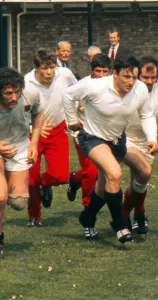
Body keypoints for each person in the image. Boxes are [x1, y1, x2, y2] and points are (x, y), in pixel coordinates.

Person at [63, 56, 158, 244]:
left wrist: (152, 138)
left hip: (117, 140)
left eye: (134, 77)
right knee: (114, 174)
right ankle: (120, 224)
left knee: (103, 187)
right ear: (115, 73)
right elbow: (67, 96)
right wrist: (72, 120)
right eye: (126, 77)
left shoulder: (139, 89)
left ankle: (88, 217)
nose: (131, 82)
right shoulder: (95, 86)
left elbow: (146, 114)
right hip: (91, 138)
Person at [122, 56, 158, 234]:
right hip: (126, 137)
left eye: (153, 78)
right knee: (143, 172)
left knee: (140, 182)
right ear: (138, 75)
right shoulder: (130, 87)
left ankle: (138, 216)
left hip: (148, 139)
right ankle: (123, 215)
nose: (150, 81)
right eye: (145, 77)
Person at [25, 48, 77, 227]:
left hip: (57, 130)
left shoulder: (65, 75)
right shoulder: (26, 83)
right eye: (44, 68)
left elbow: (76, 92)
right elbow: (18, 114)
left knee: (61, 176)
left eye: (52, 68)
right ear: (36, 68)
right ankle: (34, 216)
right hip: (33, 135)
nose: (49, 73)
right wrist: (33, 128)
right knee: (31, 179)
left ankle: (44, 185)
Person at [67, 54, 113, 239]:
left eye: (105, 71)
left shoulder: (112, 85)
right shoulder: (83, 86)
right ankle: (88, 216)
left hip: (107, 136)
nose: (101, 74)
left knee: (107, 173)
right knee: (92, 173)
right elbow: (67, 101)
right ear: (91, 70)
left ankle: (75, 179)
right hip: (84, 136)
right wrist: (73, 125)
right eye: (97, 71)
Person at [0, 68, 43, 257]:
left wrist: (34, 142)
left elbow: (39, 114)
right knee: (0, 197)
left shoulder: (30, 93)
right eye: (8, 93)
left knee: (17, 202)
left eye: (17, 92)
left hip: (18, 147)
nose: (14, 97)